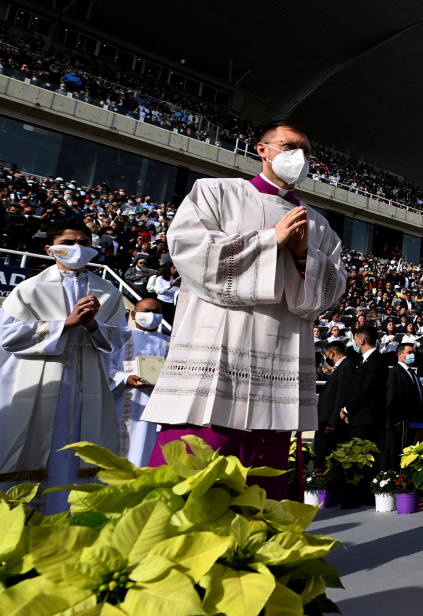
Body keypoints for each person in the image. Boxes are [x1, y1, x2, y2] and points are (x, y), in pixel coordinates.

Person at [141, 121, 346, 499]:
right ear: (262, 149)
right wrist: (272, 241)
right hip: (219, 356)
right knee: (191, 475)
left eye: (305, 151)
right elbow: (192, 252)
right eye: (289, 147)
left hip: (278, 362)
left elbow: (331, 290)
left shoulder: (318, 224)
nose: (298, 157)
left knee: (260, 491)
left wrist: (306, 257)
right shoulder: (216, 193)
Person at [0, 218, 131, 513]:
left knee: (80, 448)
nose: (76, 248)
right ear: (50, 249)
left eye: (83, 243)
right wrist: (65, 324)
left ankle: (74, 516)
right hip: (41, 380)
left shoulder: (108, 292)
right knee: (39, 444)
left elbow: (120, 338)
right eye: (67, 243)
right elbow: (7, 336)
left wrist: (93, 325)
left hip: (88, 383)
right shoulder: (29, 289)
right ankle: (29, 517)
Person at [107, 297, 170, 467]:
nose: (152, 315)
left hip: (157, 404)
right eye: (146, 311)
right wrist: (125, 378)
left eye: (156, 312)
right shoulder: (120, 338)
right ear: (134, 315)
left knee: (151, 446)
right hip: (125, 401)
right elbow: (105, 365)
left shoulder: (170, 342)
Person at [337, 326, 389, 462]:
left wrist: (347, 409)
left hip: (367, 420)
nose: (354, 343)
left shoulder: (376, 361)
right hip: (358, 418)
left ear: (362, 341)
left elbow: (367, 391)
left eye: (355, 340)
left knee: (363, 461)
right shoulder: (364, 360)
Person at [382, 342, 423, 470]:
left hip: (412, 423)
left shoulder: (412, 373)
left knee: (408, 457)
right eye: (409, 353)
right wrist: (395, 421)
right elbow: (391, 398)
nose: (412, 355)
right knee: (395, 456)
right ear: (400, 354)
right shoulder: (394, 372)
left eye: (413, 352)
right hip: (399, 424)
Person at [315, 340, 357, 468]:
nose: (326, 358)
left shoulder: (346, 366)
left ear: (332, 353)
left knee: (326, 458)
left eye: (326, 354)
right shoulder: (341, 366)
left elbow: (342, 396)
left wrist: (333, 422)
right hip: (326, 420)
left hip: (332, 423)